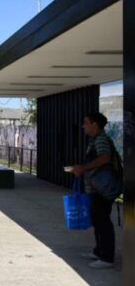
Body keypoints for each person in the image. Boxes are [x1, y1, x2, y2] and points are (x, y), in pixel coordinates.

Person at [70, 112, 117, 269]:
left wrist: (83, 168)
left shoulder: (101, 139)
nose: (83, 126)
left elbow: (105, 158)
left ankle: (107, 257)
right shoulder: (95, 140)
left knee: (102, 221)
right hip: (97, 189)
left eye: (86, 122)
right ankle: (99, 251)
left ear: (95, 124)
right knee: (97, 220)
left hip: (103, 190)